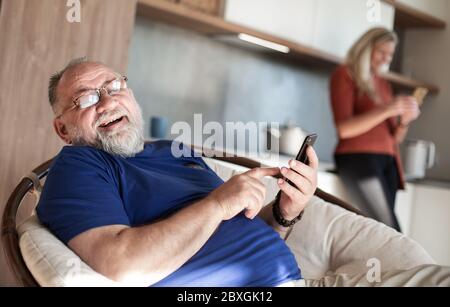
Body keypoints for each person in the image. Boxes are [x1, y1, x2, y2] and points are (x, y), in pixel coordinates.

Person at [37, 58, 445, 287]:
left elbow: (239, 230)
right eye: (87, 98)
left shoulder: (172, 151)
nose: (107, 101)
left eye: (114, 86)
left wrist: (285, 212)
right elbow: (119, 263)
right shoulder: (80, 166)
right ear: (63, 128)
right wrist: (217, 203)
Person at [330, 28, 421, 231]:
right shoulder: (345, 74)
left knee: (381, 234)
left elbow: (395, 138)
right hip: (359, 159)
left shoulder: (383, 84)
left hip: (388, 162)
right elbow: (344, 129)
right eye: (382, 52)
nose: (385, 60)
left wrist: (405, 121)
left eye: (390, 55)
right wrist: (387, 109)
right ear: (366, 47)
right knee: (391, 231)